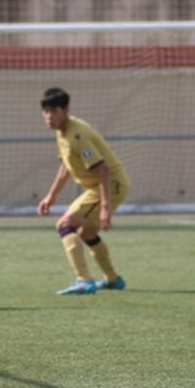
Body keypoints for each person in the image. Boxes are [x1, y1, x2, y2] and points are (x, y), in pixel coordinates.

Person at [37, 87, 130, 295]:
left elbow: (103, 169)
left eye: (53, 111)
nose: (49, 117)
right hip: (100, 186)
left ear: (66, 110)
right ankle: (113, 280)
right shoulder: (62, 132)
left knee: (64, 224)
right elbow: (66, 166)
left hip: (109, 184)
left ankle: (83, 280)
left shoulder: (77, 135)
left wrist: (105, 207)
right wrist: (51, 196)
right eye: (45, 112)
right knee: (87, 232)